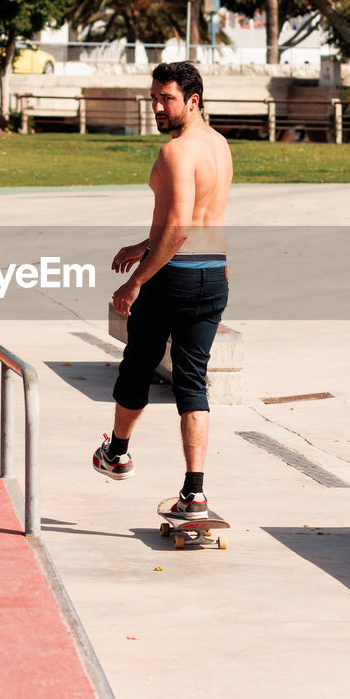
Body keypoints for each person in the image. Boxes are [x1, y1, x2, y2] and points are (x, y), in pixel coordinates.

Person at [92, 61, 232, 519]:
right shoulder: (220, 145)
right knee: (193, 382)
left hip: (174, 276)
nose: (156, 106)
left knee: (137, 366)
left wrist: (135, 283)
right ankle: (195, 493)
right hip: (214, 275)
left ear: (193, 100)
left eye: (166, 98)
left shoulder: (175, 153)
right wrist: (142, 245)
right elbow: (198, 218)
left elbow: (178, 229)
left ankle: (117, 453)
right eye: (153, 97)